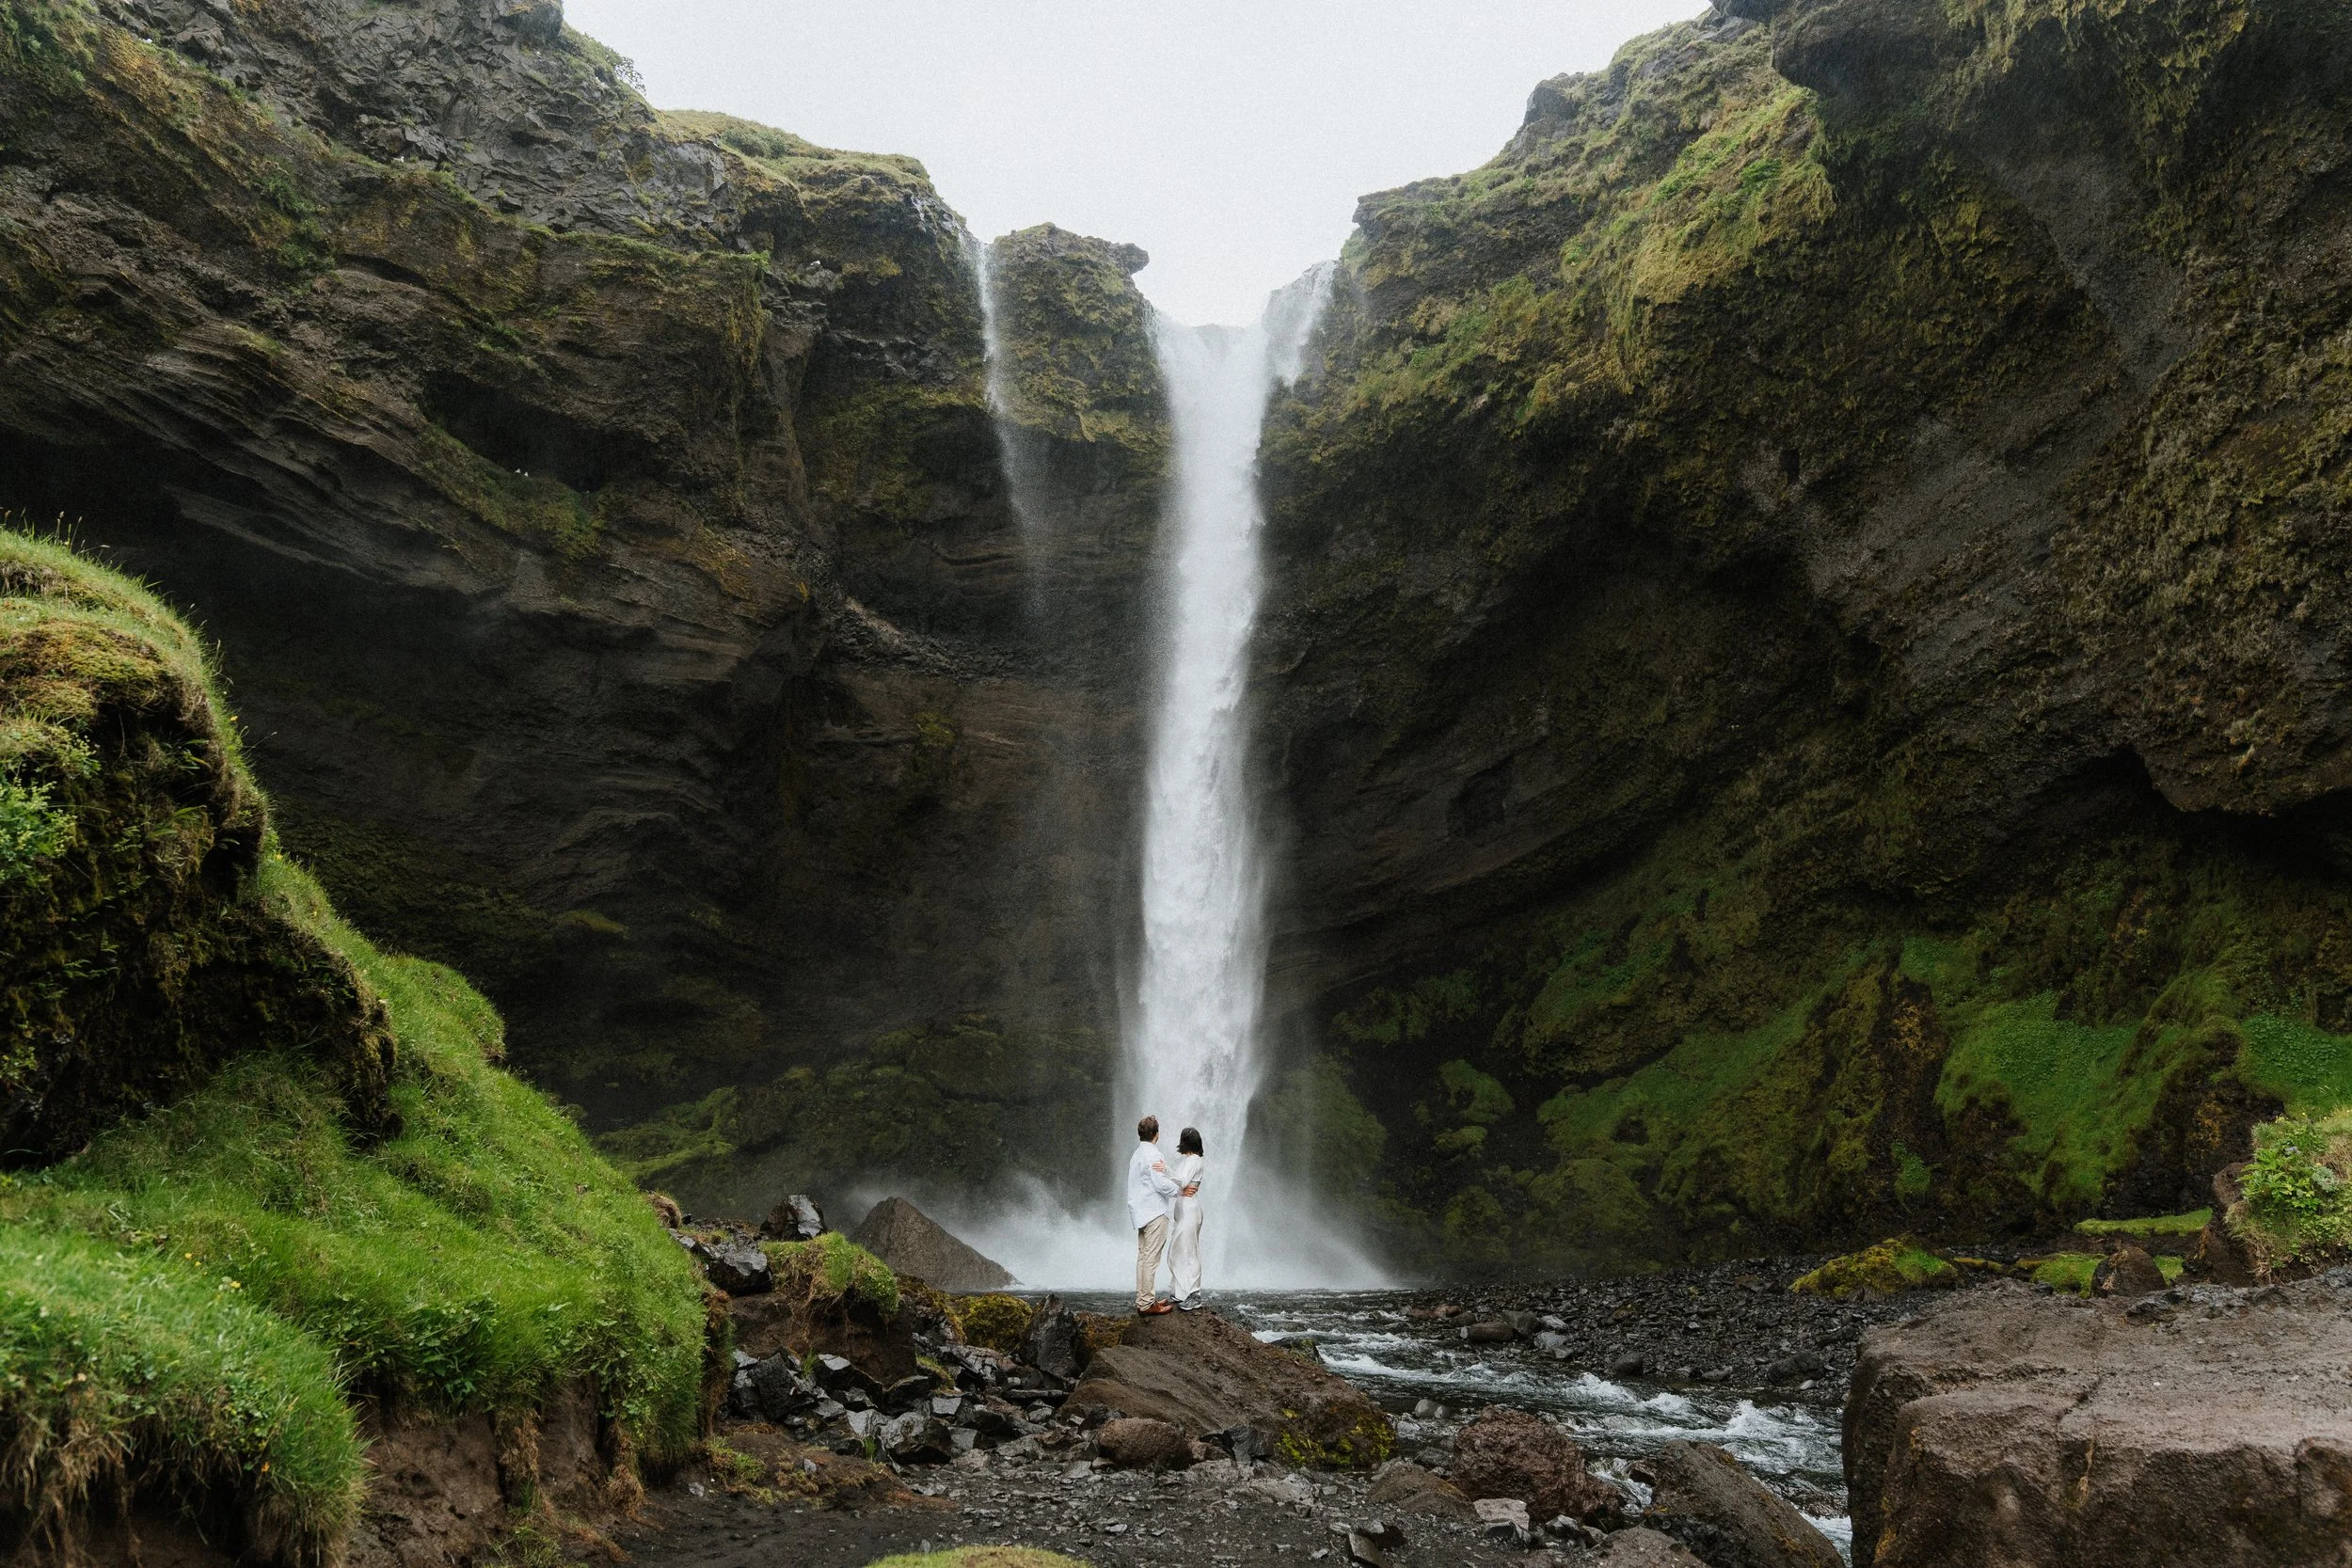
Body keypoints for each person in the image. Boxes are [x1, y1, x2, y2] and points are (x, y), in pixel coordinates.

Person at [1126, 1114, 1181, 1314]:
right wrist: (1180, 1191)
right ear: (1156, 1134)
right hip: (1155, 1212)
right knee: (1151, 1259)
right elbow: (1159, 1183)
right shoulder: (1154, 1155)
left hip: (1140, 1212)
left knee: (1143, 1258)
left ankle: (1143, 1299)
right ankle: (1147, 1303)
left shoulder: (1137, 1155)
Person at [1168, 1126, 1206, 1310]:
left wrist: (1165, 1170)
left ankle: (1194, 1293)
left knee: (1190, 1251)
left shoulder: (1194, 1160)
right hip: (1183, 1209)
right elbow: (1178, 1185)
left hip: (1190, 1210)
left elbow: (1181, 1181)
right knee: (1178, 1249)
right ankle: (1179, 1291)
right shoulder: (1187, 1161)